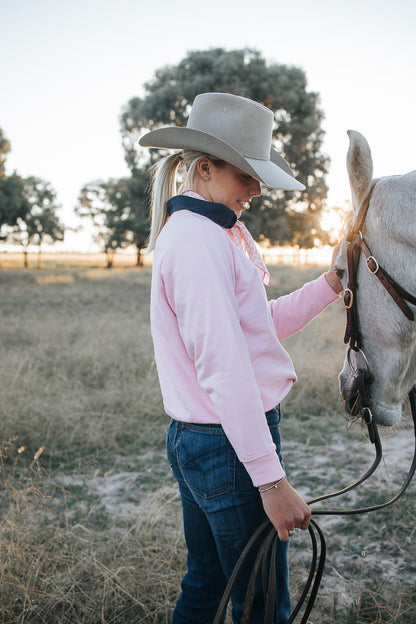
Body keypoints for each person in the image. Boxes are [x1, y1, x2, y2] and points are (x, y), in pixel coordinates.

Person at [139, 93, 343, 624]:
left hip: (211, 438)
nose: (256, 189)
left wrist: (330, 284)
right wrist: (271, 483)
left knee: (208, 581)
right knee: (260, 604)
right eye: (246, 176)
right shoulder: (198, 241)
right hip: (226, 444)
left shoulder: (211, 232)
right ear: (205, 168)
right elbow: (225, 367)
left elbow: (257, 329)